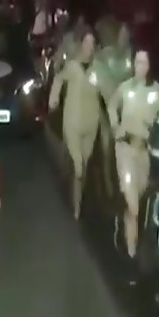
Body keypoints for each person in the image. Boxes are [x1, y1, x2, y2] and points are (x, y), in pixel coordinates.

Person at [108, 50, 159, 258]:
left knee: (139, 196)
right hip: (124, 149)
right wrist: (115, 126)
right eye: (137, 61)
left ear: (150, 66)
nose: (139, 66)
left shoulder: (157, 91)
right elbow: (112, 106)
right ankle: (131, 254)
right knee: (133, 204)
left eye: (144, 62)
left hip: (144, 152)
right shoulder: (125, 88)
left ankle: (124, 220)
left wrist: (157, 133)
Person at [49, 30, 102, 219]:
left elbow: (108, 91)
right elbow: (58, 79)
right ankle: (76, 205)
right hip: (72, 121)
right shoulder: (72, 66)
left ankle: (77, 199)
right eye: (86, 43)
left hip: (91, 122)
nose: (89, 47)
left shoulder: (98, 69)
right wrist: (54, 98)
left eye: (92, 44)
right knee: (79, 166)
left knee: (84, 166)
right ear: (81, 45)